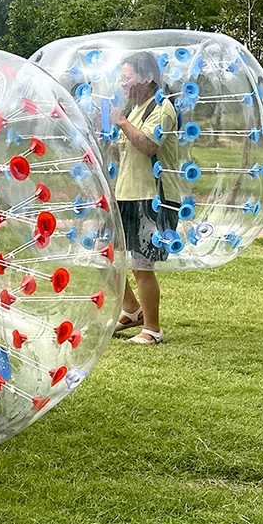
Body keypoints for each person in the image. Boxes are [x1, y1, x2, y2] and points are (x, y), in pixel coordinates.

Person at [112, 50, 179, 345]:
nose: (122, 83)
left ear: (147, 77)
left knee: (142, 263)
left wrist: (122, 123)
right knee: (107, 255)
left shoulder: (161, 109)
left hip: (153, 196)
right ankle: (131, 309)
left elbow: (149, 145)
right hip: (126, 194)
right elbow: (124, 152)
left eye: (127, 77)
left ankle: (152, 329)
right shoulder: (133, 110)